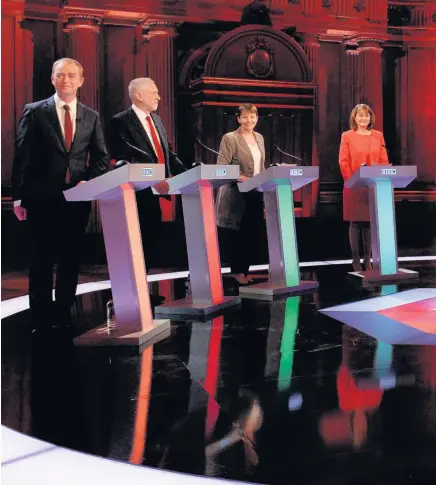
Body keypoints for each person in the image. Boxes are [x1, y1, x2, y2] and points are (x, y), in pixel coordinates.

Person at [12, 57, 109, 330]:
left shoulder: (91, 116)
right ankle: (41, 318)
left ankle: (63, 314)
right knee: (40, 260)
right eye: (60, 75)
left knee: (70, 259)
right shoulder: (35, 111)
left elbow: (101, 157)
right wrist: (18, 197)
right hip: (41, 198)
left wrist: (88, 182)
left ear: (81, 81)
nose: (65, 79)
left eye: (71, 75)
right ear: (52, 79)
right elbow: (23, 156)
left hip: (76, 200)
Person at [110, 78, 186, 273]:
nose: (159, 97)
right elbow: (122, 158)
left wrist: (187, 177)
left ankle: (145, 292)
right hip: (135, 195)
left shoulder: (157, 120)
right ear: (138, 95)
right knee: (136, 245)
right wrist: (153, 178)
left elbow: (168, 154)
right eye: (154, 93)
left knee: (151, 243)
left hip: (155, 195)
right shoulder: (120, 121)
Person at [216, 104, 266, 285]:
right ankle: (237, 272)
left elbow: (261, 167)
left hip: (256, 193)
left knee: (251, 234)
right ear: (238, 119)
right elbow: (222, 166)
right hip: (236, 194)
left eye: (252, 117)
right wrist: (240, 176)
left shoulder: (259, 138)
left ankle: (245, 271)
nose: (249, 121)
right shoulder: (230, 138)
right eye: (245, 117)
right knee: (237, 235)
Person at [338, 104, 389, 272]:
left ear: (370, 118)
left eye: (366, 116)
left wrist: (380, 177)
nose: (363, 119)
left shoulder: (378, 136)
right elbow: (343, 161)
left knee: (369, 223)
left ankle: (368, 259)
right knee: (355, 222)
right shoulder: (347, 136)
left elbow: (383, 159)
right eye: (360, 116)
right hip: (354, 185)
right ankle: (355, 259)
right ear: (354, 118)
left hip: (373, 185)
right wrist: (352, 180)